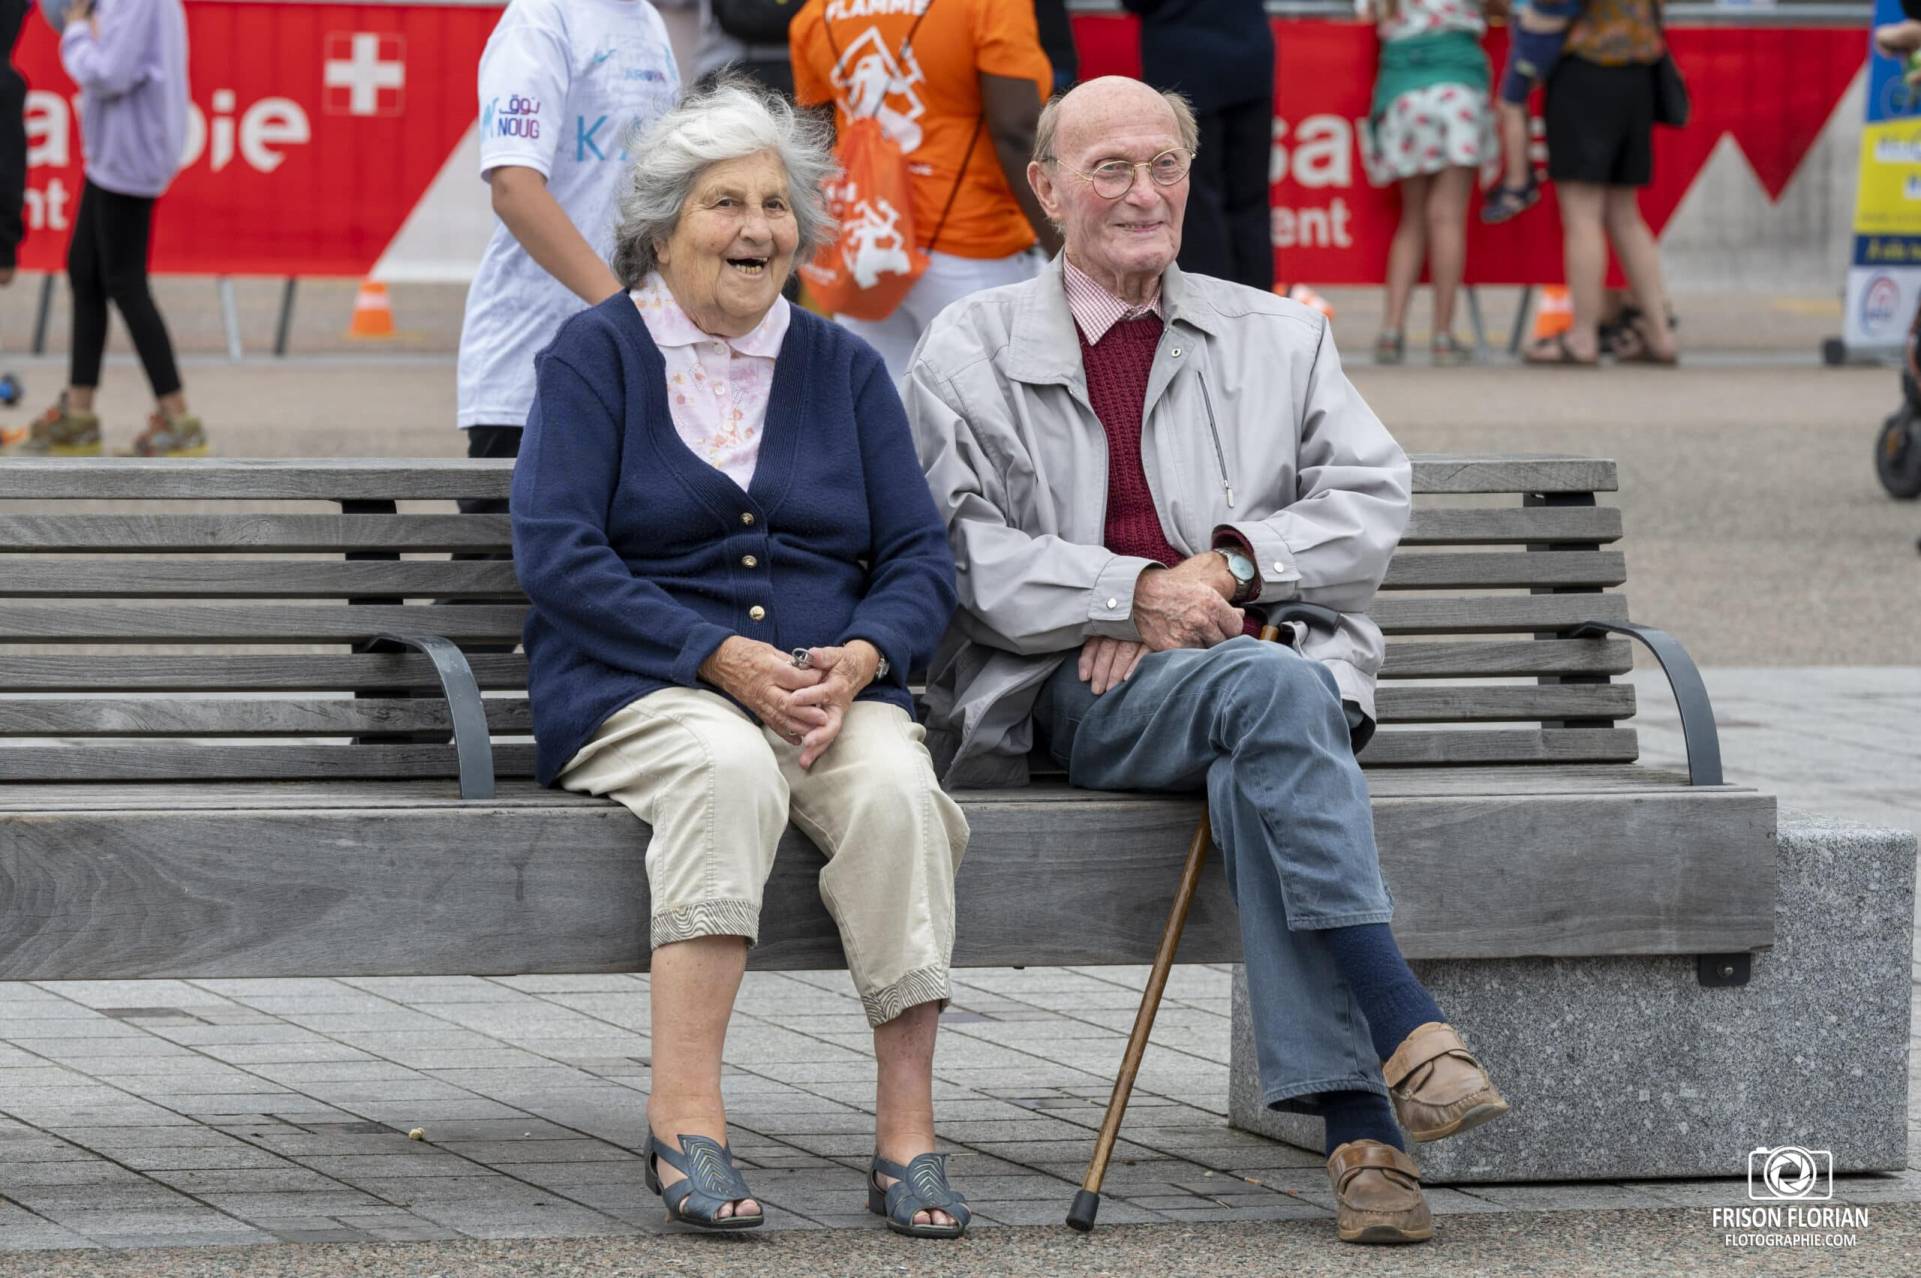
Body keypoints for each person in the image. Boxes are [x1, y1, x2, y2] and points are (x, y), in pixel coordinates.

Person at [905, 76, 1508, 1247]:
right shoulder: (967, 348)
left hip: (1255, 673)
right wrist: (1123, 595)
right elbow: (959, 553)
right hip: (1077, 692)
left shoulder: (1275, 332)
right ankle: (1405, 1021)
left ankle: (1363, 1141)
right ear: (1046, 189)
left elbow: (1372, 497)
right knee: (1278, 696)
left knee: (1262, 737)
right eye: (1109, 169)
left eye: (1163, 166)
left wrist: (1228, 571)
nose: (1143, 193)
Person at [512, 82, 972, 1238]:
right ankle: (686, 1120)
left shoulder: (842, 364)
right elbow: (558, 553)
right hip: (642, 682)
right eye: (725, 204)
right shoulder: (595, 355)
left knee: (898, 793)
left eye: (776, 205)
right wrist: (714, 655)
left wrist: (866, 655)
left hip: (824, 683)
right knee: (726, 768)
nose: (758, 230)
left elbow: (919, 553)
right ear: (663, 227)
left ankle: (907, 1139)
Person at [456, 0, 679, 508]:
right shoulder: (541, 17)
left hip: (633, 362)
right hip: (532, 365)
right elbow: (514, 188)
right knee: (491, 579)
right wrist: (621, 310)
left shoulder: (647, 20)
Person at [788, 0, 1061, 377]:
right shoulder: (990, 5)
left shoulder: (817, 13)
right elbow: (1016, 130)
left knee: (886, 417)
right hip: (974, 246)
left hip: (867, 247)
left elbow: (816, 139)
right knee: (993, 418)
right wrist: (1068, 249)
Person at [2, 0, 200, 459]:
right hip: (115, 149)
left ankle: (178, 416)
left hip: (130, 152)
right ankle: (79, 411)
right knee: (83, 270)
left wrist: (74, 32)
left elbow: (110, 72)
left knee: (124, 282)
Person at [1525, 0, 1677, 365]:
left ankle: (1583, 336)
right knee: (1626, 214)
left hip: (1587, 70)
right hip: (1639, 73)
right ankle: (1659, 333)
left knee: (1582, 213)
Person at [1358, 0, 1495, 366]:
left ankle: (1391, 330)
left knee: (1412, 217)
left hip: (1403, 94)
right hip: (1458, 91)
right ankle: (1442, 335)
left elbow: (1368, 13)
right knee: (1447, 216)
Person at [1120, 0, 1274, 292]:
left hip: (1184, 61)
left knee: (1194, 202)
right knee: (1249, 201)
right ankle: (1258, 315)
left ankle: (1210, 313)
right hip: (1249, 56)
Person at [1481, 0, 1581, 224]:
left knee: (1511, 103)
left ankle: (1517, 184)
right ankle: (1522, 175)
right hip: (1541, 24)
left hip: (1540, 25)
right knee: (1516, 101)